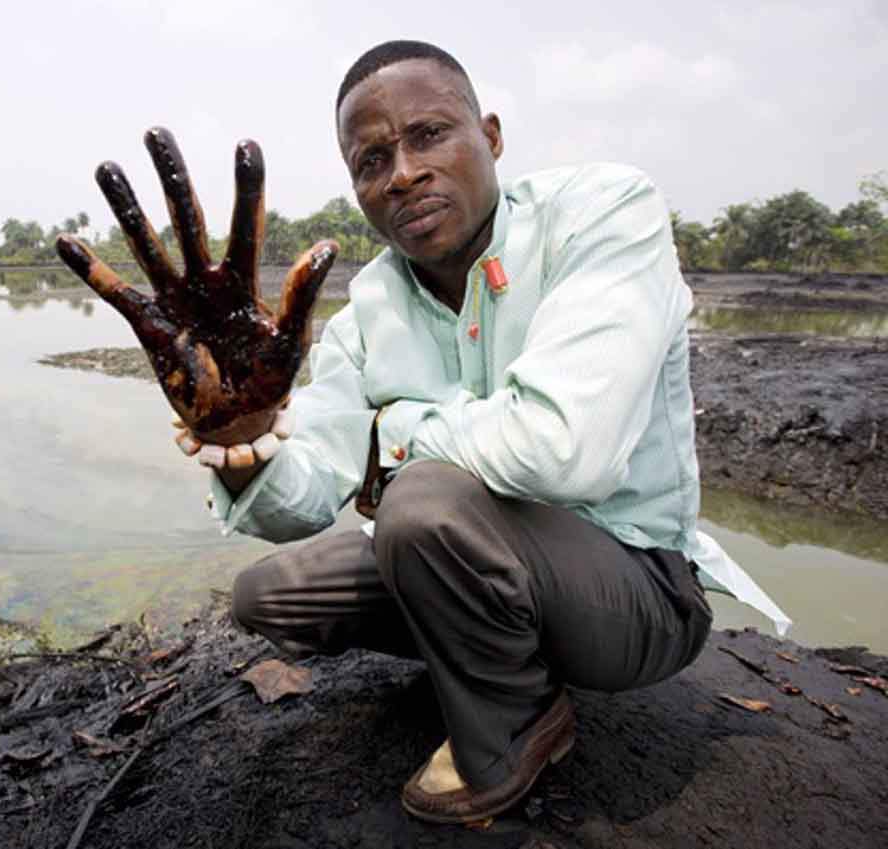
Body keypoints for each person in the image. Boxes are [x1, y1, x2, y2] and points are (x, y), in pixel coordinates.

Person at [58, 39, 789, 826]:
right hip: (481, 558)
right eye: (372, 160)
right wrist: (246, 434)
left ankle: (518, 722)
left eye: (429, 135)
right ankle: (489, 650)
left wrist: (395, 434)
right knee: (269, 592)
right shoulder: (371, 305)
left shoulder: (601, 213)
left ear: (493, 137)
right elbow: (304, 497)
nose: (402, 172)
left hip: (637, 590)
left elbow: (564, 449)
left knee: (420, 503)